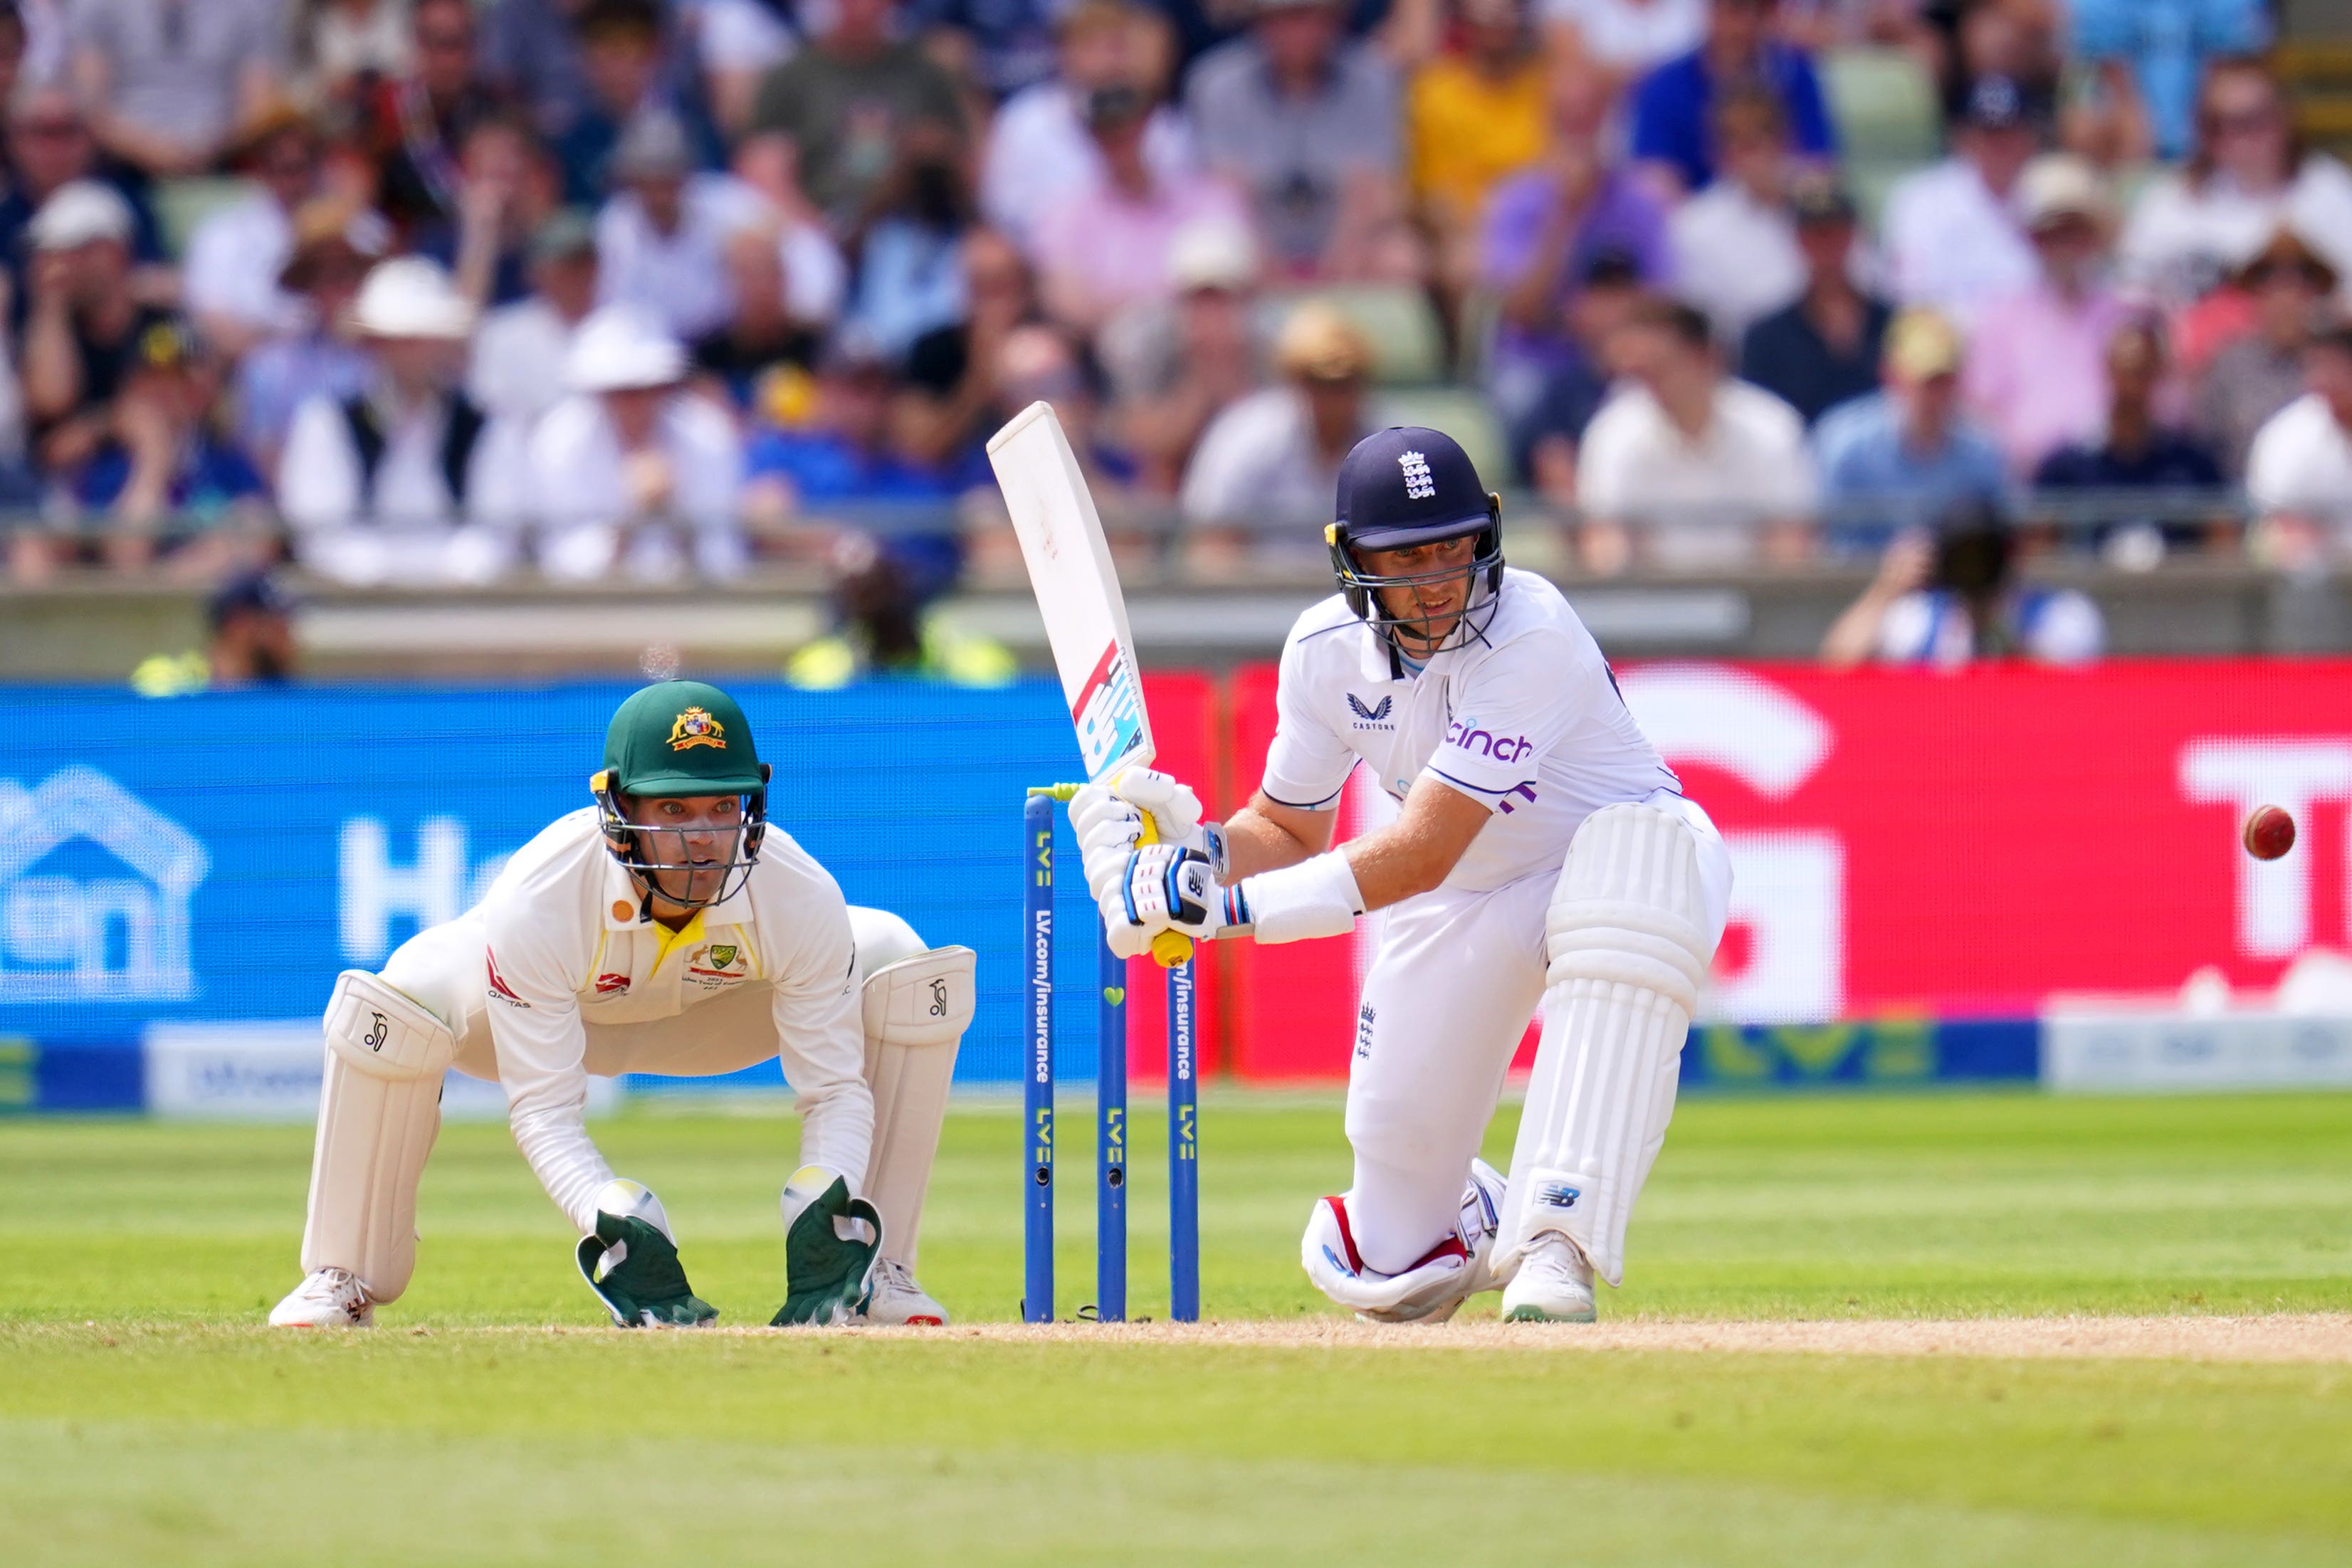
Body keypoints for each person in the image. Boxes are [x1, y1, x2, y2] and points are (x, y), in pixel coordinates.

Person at [1078, 426, 1731, 1324]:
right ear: (1351, 560)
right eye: (1405, 555)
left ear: (1488, 536)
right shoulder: (1319, 654)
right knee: (1394, 1264)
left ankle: (1554, 1241)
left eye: (1452, 546)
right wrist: (1197, 855)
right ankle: (1483, 1212)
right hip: (1465, 901)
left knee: (1624, 884)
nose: (1436, 578)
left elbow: (1423, 848)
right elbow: (1285, 825)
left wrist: (1220, 909)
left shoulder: (1531, 631)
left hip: (1622, 856)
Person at [268, 679, 975, 1331]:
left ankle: (873, 1271)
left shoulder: (796, 887)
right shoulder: (540, 897)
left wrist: (828, 1198)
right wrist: (609, 1212)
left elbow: (834, 1091)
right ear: (617, 811)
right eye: (672, 808)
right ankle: (344, 1272)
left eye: (721, 808)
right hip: (533, 1021)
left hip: (719, 1017)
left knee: (895, 950)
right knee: (404, 991)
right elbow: (544, 1110)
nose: (701, 837)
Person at [279, 257, 531, 586]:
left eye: (418, 338)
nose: (406, 352)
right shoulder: (327, 425)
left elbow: (499, 527)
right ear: (372, 344)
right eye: (394, 339)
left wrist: (452, 576)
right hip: (357, 609)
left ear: (439, 341)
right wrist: (381, 577)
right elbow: (320, 530)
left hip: (465, 608)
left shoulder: (487, 426)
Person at [1481, 61, 1669, 432]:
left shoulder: (1641, 202)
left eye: (1589, 118)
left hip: (1626, 359)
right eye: (1568, 119)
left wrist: (1611, 317)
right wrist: (1565, 214)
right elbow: (1520, 309)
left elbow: (1664, 299)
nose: (1579, 133)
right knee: (1518, 402)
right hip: (1539, 361)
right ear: (1548, 125)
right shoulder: (1515, 200)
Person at [1575, 296, 1815, 569]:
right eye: (1641, 373)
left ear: (1707, 357)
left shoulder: (1771, 427)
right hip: (1652, 604)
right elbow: (1606, 544)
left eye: (1662, 367)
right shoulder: (1613, 434)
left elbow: (1791, 543)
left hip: (1760, 603)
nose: (1651, 386)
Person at [1185, 0, 1406, 280]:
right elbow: (1226, 194)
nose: (1297, 31)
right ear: (1258, 22)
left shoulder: (1374, 77)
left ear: (1334, 19)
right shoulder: (1216, 84)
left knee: (1400, 257)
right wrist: (1269, 266)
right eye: (1282, 18)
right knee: (1212, 254)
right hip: (1255, 247)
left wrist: (1341, 264)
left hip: (1348, 246)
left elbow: (1374, 188)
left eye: (1308, 16)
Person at [2118, 58, 2352, 312]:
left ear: (2285, 118)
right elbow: (2131, 294)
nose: (2236, 137)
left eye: (2252, 120)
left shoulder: (2330, 191)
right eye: (2218, 124)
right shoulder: (2170, 201)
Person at [530, 304, 745, 581]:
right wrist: (630, 522)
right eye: (620, 392)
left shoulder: (707, 435)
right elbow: (564, 565)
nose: (634, 403)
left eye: (645, 388)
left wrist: (674, 512)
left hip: (688, 607)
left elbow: (724, 560)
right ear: (597, 393)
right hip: (593, 613)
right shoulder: (560, 442)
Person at [1031, 81, 1249, 334]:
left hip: (1209, 343)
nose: (1118, 137)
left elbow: (1243, 282)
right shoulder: (1064, 214)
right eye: (1105, 130)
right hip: (1111, 348)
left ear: (1147, 123)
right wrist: (1161, 305)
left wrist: (1127, 300)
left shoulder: (1209, 198)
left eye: (1127, 125)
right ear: (1089, 135)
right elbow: (1069, 306)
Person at [1963, 154, 2129, 478]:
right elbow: (1981, 417)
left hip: (2113, 479)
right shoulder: (1999, 319)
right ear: (2032, 240)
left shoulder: (2126, 315)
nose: (2064, 245)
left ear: (2094, 237)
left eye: (2074, 231)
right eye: (2051, 234)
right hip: (2029, 490)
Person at [979, 0, 1192, 251]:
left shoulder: (1161, 124)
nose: (1107, 59)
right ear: (1064, 52)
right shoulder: (1024, 121)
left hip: (1146, 259)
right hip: (1045, 262)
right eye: (1090, 45)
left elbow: (1182, 205)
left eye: (1115, 46)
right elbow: (1002, 211)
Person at [1179, 302, 1378, 569]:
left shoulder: (1390, 442)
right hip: (1259, 598)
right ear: (1294, 380)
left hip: (1365, 601)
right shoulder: (1244, 437)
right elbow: (1212, 545)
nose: (1332, 398)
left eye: (1345, 384)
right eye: (1318, 383)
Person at [747, 0, 967, 224]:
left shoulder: (927, 74)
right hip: (816, 224)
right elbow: (762, 166)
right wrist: (817, 234)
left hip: (909, 224)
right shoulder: (791, 76)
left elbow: (966, 165)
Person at [1812, 305, 2008, 554]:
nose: (1934, 394)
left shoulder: (1984, 453)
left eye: (1944, 380)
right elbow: (1834, 552)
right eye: (1923, 379)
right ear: (1890, 374)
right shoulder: (1845, 447)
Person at [19, 179, 176, 481]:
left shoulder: (158, 323)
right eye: (49, 253)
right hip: (70, 487)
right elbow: (51, 404)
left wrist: (96, 427)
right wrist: (51, 308)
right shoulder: (51, 326)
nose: (56, 264)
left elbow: (159, 407)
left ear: (113, 252)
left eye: (70, 250)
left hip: (154, 475)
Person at [2034, 320, 2225, 561]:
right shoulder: (2066, 468)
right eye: (2124, 373)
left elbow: (2223, 548)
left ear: (2159, 375)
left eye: (2142, 373)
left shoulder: (2193, 465)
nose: (2132, 387)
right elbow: (2037, 555)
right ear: (2107, 372)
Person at [1820, 509, 2104, 668]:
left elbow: (2073, 691)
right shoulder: (1919, 620)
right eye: (1962, 558)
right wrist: (1885, 590)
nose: (1974, 569)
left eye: (1983, 556)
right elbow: (1838, 667)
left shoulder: (2062, 615)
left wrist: (1997, 628)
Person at [1406, 0, 1547, 302]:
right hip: (1464, 230)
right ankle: (1474, 349)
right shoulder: (1434, 92)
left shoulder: (1547, 87)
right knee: (1466, 265)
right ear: (1465, 24)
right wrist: (1465, 232)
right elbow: (1428, 192)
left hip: (1537, 227)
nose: (1497, 30)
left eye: (1506, 18)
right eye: (1486, 20)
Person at [1626, 0, 1834, 197]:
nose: (1743, 26)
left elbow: (1819, 165)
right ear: (1711, 12)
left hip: (1780, 211)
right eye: (1735, 10)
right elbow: (1652, 175)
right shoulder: (1665, 84)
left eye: (1759, 12)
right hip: (1692, 219)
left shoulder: (1794, 73)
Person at [184, 107, 346, 359]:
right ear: (261, 169)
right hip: (248, 369)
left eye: (306, 165)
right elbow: (212, 320)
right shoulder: (224, 232)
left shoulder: (355, 226)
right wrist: (281, 356)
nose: (297, 181)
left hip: (342, 368)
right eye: (285, 168)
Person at [1881, 73, 2042, 322]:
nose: (1999, 145)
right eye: (1988, 133)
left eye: (2010, 132)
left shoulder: (2051, 195)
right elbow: (1911, 295)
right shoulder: (1921, 199)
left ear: (2030, 137)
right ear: (1963, 137)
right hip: (1951, 348)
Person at [235, 199, 384, 469]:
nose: (341, 289)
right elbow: (263, 456)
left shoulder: (397, 353)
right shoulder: (270, 367)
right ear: (308, 287)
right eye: (326, 276)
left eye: (350, 272)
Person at [69, 0, 287, 177]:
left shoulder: (253, 6)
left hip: (222, 160)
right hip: (122, 164)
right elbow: (91, 107)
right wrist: (151, 150)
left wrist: (208, 148)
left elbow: (258, 104)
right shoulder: (96, 5)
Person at [1738, 177, 1889, 425]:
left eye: (1835, 234)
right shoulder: (1767, 337)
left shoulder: (1892, 323)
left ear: (1852, 236)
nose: (1826, 246)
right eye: (1816, 235)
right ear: (1798, 241)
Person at [1667, 83, 1805, 344]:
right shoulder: (1694, 227)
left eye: (1767, 134)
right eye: (1742, 141)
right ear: (1719, 152)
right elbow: (1703, 331)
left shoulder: (1823, 205)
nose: (1758, 152)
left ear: (1788, 139)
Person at [2196, 228, 2333, 480]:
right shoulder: (2229, 367)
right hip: (2245, 505)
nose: (2287, 298)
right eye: (2271, 283)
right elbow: (2207, 450)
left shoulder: (2336, 365)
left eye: (2302, 282)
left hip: (2327, 507)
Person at [2068, 0, 2269, 165]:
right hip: (2130, 139)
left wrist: (2203, 139)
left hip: (2207, 132)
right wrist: (2137, 154)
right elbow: (2111, 68)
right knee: (2083, 123)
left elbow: (2227, 67)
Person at [468, 209, 598, 426]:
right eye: (561, 267)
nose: (574, 276)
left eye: (582, 264)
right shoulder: (502, 333)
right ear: (535, 273)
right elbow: (492, 412)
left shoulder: (622, 328)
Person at [2245, 319, 2352, 564]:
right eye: (2320, 365)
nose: (2327, 378)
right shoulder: (2287, 439)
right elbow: (2279, 532)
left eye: (2339, 364)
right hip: (2311, 588)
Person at [130, 569, 297, 696]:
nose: (287, 633)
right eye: (277, 622)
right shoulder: (169, 684)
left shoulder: (280, 696)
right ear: (240, 625)